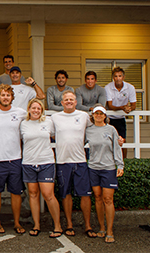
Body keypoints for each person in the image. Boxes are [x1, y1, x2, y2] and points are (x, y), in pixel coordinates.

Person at [52, 91, 96, 238]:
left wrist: (116, 138)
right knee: (66, 194)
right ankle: (69, 224)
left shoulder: (83, 116)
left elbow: (94, 129)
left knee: (85, 194)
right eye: (66, 100)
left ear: (76, 102)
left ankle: (88, 225)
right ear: (62, 103)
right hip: (62, 161)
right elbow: (49, 133)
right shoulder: (55, 117)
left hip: (80, 160)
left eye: (71, 99)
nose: (69, 101)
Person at [0, 84, 26, 234]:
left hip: (15, 159)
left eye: (8, 95)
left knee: (16, 193)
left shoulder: (21, 113)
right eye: (3, 95)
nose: (5, 97)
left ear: (12, 97)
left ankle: (16, 223)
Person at [20, 98, 63, 238]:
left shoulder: (48, 122)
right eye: (33, 108)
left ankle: (57, 226)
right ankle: (36, 225)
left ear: (42, 110)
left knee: (48, 195)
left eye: (39, 108)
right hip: (29, 163)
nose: (36, 111)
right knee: (32, 194)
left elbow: (60, 134)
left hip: (46, 162)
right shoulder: (23, 124)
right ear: (29, 109)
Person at [86, 105, 124, 243]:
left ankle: (109, 230)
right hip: (93, 168)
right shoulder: (88, 131)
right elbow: (78, 142)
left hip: (108, 168)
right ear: (93, 115)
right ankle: (101, 227)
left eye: (101, 113)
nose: (98, 115)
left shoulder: (111, 129)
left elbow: (116, 147)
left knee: (108, 199)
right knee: (97, 197)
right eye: (96, 113)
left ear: (105, 116)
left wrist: (120, 165)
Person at [105, 66, 137, 160]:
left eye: (120, 76)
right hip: (110, 118)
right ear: (113, 78)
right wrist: (122, 107)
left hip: (121, 118)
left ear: (123, 77)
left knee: (123, 140)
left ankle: (124, 161)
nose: (118, 78)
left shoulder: (130, 87)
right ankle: (110, 161)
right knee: (109, 141)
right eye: (115, 76)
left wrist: (129, 109)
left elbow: (134, 105)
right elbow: (110, 106)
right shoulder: (108, 87)